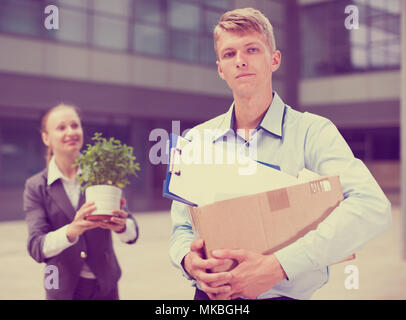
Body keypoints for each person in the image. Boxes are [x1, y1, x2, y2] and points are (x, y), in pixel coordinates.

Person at [169, 8, 392, 300]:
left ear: (274, 59)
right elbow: (181, 227)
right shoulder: (195, 141)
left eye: (252, 49)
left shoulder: (313, 133)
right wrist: (188, 260)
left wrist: (278, 266)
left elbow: (372, 206)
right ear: (221, 69)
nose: (241, 61)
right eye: (229, 54)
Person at [23, 103, 139, 300]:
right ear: (46, 138)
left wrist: (121, 227)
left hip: (106, 287)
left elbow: (132, 233)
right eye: (61, 127)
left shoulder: (103, 174)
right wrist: (71, 230)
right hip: (63, 290)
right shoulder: (36, 186)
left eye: (75, 126)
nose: (71, 132)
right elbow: (36, 247)